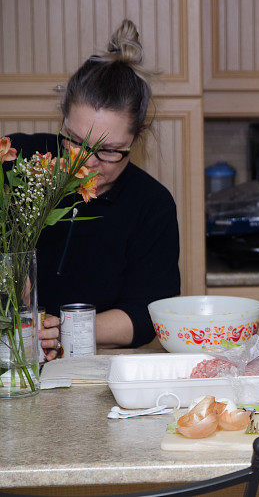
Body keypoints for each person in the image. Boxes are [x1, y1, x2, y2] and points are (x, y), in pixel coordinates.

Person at [7, 20, 180, 358]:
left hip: (92, 371)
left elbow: (148, 315)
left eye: (110, 150)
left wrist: (63, 330)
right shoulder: (18, 161)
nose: (86, 162)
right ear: (63, 121)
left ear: (136, 140)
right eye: (75, 141)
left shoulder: (151, 204)